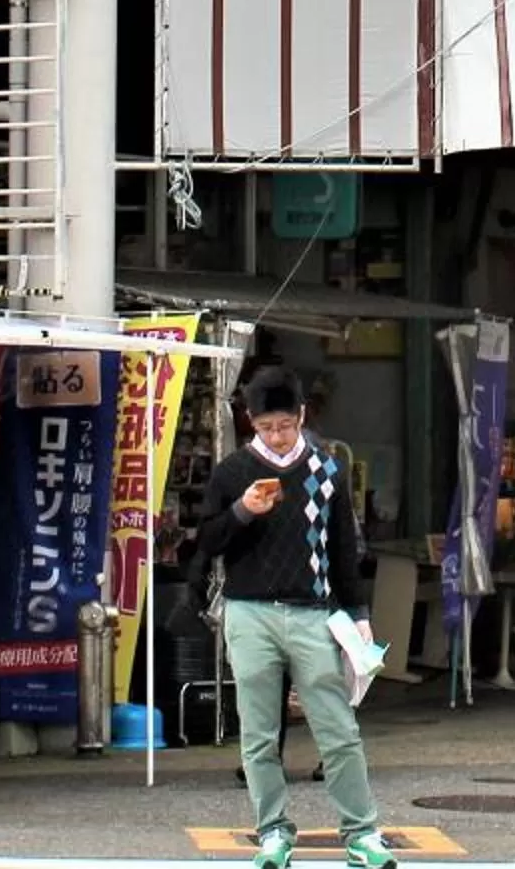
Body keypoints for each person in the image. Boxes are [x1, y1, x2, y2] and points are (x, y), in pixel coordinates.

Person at [195, 368, 393, 869]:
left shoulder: (328, 470)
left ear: (302, 416)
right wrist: (242, 510)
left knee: (337, 727)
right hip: (248, 611)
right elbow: (207, 542)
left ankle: (362, 832)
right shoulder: (232, 473)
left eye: (285, 424)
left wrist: (359, 613)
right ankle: (273, 832)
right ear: (250, 423)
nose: (277, 436)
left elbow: (344, 547)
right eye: (266, 427)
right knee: (259, 733)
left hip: (313, 612)